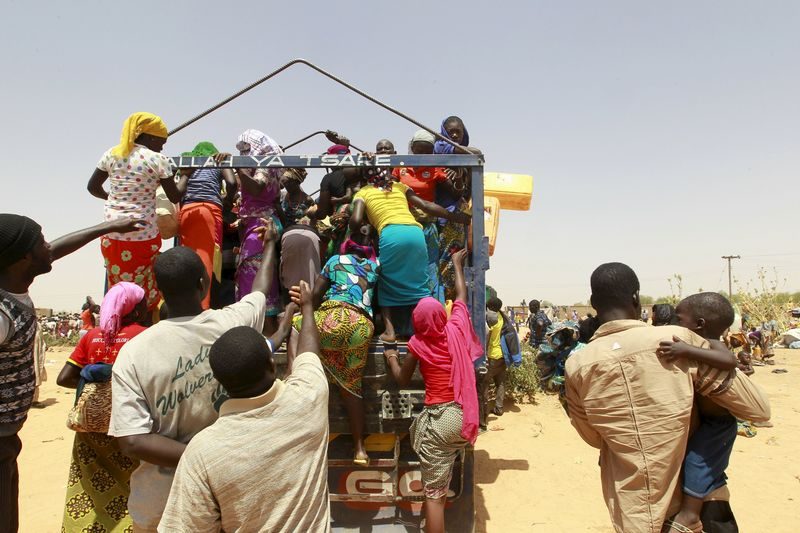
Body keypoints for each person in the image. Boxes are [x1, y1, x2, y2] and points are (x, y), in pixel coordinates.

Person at [108, 221, 294, 532]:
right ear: (205, 284)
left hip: (162, 507)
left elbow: (134, 441)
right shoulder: (232, 323)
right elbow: (259, 291)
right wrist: (270, 245)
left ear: (158, 290)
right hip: (229, 498)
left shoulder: (133, 353)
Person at [564, 263, 771, 533]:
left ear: (593, 303)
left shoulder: (577, 365)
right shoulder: (677, 342)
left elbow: (593, 438)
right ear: (636, 298)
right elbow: (758, 409)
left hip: (633, 510)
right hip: (697, 503)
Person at [0, 213, 142, 533]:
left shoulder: (13, 284)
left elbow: (57, 250)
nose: (49, 247)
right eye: (41, 242)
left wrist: (108, 226)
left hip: (7, 439)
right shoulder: (2, 311)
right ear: (23, 256)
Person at [158, 280, 329, 532]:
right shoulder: (308, 398)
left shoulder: (203, 451)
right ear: (272, 366)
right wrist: (307, 308)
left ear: (221, 383)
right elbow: (309, 352)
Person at [384, 249, 482, 533]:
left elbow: (402, 380)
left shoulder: (418, 343)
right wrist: (456, 265)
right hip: (463, 415)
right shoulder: (456, 328)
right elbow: (461, 298)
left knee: (434, 496)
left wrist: (391, 355)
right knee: (442, 478)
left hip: (440, 419)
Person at [57, 282, 149, 532]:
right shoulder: (144, 335)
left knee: (88, 488)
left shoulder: (90, 336)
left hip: (90, 428)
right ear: (137, 310)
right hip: (129, 426)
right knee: (133, 487)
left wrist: (99, 387)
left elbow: (64, 378)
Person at [349, 163, 470, 341]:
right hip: (416, 233)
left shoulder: (363, 193)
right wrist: (456, 217)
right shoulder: (399, 187)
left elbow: (356, 219)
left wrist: (357, 222)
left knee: (386, 280)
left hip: (391, 234)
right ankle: (423, 329)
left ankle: (390, 332)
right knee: (420, 282)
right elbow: (426, 206)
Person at [655, 293, 745, 532]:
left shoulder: (711, 343)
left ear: (700, 325)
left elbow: (728, 360)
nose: (676, 321)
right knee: (705, 469)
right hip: (707, 421)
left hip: (718, 424)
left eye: (680, 318)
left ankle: (690, 515)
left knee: (697, 463)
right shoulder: (699, 343)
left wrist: (685, 350)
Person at [295, 225, 379, 464]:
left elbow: (314, 296)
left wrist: (298, 306)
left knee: (294, 324)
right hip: (360, 326)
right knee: (352, 387)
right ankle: (360, 449)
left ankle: (295, 371)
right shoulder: (376, 266)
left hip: (331, 319)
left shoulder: (335, 260)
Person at [87, 112, 182, 310]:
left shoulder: (112, 154)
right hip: (142, 234)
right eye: (162, 141)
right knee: (143, 291)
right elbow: (175, 197)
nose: (163, 147)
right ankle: (140, 330)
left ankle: (118, 330)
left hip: (111, 232)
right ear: (150, 136)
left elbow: (92, 187)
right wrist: (186, 178)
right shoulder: (158, 159)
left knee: (119, 287)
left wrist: (113, 200)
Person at [394, 130, 457, 303]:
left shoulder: (434, 167)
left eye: (426, 150)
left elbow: (455, 191)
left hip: (427, 224)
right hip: (404, 224)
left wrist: (457, 174)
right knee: (406, 267)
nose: (422, 154)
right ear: (412, 148)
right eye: (418, 149)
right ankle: (408, 313)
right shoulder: (400, 167)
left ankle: (435, 309)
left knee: (430, 267)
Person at [234, 129, 285, 334]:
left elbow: (257, 188)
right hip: (259, 222)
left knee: (254, 275)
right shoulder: (266, 164)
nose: (243, 152)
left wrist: (238, 168)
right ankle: (264, 329)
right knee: (262, 272)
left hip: (261, 224)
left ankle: (261, 329)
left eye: (246, 147)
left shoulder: (264, 163)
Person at [176, 142, 238, 309]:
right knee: (209, 261)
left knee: (187, 262)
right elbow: (232, 183)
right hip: (210, 211)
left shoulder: (188, 160)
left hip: (188, 211)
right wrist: (227, 203)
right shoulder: (218, 161)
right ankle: (203, 308)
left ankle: (184, 308)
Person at [279, 168, 321, 294]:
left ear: (296, 183)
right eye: (284, 184)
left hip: (303, 236)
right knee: (287, 271)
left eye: (288, 183)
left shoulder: (307, 200)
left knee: (305, 269)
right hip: (286, 237)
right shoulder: (283, 197)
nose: (286, 186)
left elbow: (313, 221)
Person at [482, 297, 507, 426]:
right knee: (500, 382)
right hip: (503, 355)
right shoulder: (502, 317)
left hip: (492, 355)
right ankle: (499, 408)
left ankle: (484, 414)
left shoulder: (491, 319)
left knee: (484, 383)